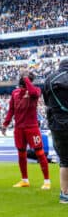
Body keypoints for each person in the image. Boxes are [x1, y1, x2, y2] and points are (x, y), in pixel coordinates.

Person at [2, 71, 51, 190]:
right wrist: (5, 124)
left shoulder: (35, 90)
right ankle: (24, 180)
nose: (23, 79)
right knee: (21, 153)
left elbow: (34, 93)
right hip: (19, 128)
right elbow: (11, 110)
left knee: (39, 152)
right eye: (22, 77)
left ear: (30, 80)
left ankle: (47, 181)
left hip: (32, 127)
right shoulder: (15, 92)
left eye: (25, 78)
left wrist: (27, 80)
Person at [43, 58, 68, 203]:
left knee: (64, 161)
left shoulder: (49, 79)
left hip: (57, 125)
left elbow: (47, 103)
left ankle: (64, 194)